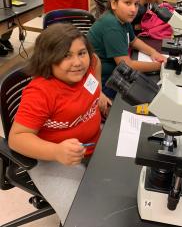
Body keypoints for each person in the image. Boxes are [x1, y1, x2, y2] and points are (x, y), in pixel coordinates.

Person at [8, 23, 111, 225]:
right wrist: (56, 152)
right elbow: (16, 138)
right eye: (66, 55)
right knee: (83, 217)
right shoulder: (41, 93)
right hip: (53, 159)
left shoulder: (88, 68)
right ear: (48, 59)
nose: (77, 62)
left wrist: (99, 92)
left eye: (82, 53)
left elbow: (96, 63)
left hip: (92, 145)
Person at [87, 0, 166, 99]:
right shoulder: (112, 25)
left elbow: (133, 41)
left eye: (136, 4)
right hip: (103, 81)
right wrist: (160, 66)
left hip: (112, 73)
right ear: (114, 3)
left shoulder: (123, 19)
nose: (133, 9)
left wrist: (153, 52)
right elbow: (127, 65)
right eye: (127, 3)